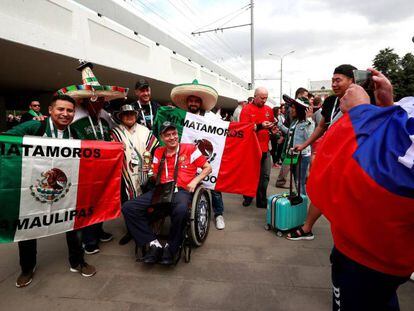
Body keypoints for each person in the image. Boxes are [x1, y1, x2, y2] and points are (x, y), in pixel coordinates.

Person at [308, 78, 412, 310]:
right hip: (381, 249)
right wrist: (386, 108)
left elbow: (380, 174)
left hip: (369, 252)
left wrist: (361, 113)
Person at [6, 94, 96, 288]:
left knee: (74, 222)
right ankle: (27, 268)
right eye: (60, 109)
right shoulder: (35, 127)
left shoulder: (74, 133)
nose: (65, 114)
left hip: (66, 188)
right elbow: (8, 140)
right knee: (29, 225)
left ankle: (77, 261)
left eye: (69, 110)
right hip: (34, 186)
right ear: (50, 110)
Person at [56, 61, 129, 254]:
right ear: (85, 100)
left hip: (105, 170)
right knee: (88, 205)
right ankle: (88, 240)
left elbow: (114, 135)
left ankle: (99, 231)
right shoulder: (75, 118)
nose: (101, 102)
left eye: (102, 100)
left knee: (103, 202)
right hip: (84, 170)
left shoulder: (104, 117)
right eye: (96, 99)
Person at [122, 121, 212, 265]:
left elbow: (208, 168)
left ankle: (172, 247)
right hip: (162, 190)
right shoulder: (159, 152)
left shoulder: (190, 149)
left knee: (181, 209)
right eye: (167, 135)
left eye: (174, 134)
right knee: (128, 208)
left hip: (181, 190)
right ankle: (153, 244)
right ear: (162, 138)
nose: (172, 137)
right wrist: (149, 171)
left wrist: (195, 181)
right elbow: (154, 175)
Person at [287, 64, 357, 241]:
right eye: (332, 80)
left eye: (338, 80)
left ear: (352, 80)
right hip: (333, 155)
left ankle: (350, 234)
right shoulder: (331, 102)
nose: (334, 84)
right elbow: (321, 126)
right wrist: (304, 145)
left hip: (355, 158)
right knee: (321, 190)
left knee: (349, 196)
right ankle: (307, 228)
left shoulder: (365, 100)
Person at [170, 79, 226, 230]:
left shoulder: (212, 117)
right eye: (191, 100)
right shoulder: (180, 117)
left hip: (208, 160)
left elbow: (225, 132)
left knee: (213, 186)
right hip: (187, 160)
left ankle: (219, 214)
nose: (193, 103)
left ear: (200, 103)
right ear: (187, 102)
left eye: (196, 101)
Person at [111, 104, 158, 244]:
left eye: (132, 113)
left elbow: (155, 150)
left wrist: (151, 168)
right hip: (124, 174)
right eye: (125, 114)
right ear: (120, 117)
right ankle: (130, 231)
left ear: (136, 115)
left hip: (144, 173)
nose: (129, 116)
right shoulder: (115, 132)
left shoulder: (145, 131)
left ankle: (146, 229)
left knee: (146, 203)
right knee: (127, 203)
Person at [240, 87, 275, 208]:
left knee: (265, 175)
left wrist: (273, 129)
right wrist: (260, 126)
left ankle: (261, 199)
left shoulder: (269, 110)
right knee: (250, 174)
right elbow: (244, 129)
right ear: (255, 96)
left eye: (266, 98)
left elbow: (271, 125)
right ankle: (248, 196)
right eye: (262, 98)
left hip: (265, 147)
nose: (264, 100)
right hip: (252, 148)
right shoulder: (246, 109)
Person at [277, 96, 314, 195]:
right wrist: (279, 125)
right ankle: (299, 202)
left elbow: (309, 138)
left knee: (299, 182)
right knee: (296, 181)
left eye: (293, 108)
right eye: (291, 107)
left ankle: (302, 204)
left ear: (300, 109)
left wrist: (309, 119)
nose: (291, 110)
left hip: (302, 156)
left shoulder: (309, 123)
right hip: (293, 154)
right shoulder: (295, 121)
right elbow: (289, 132)